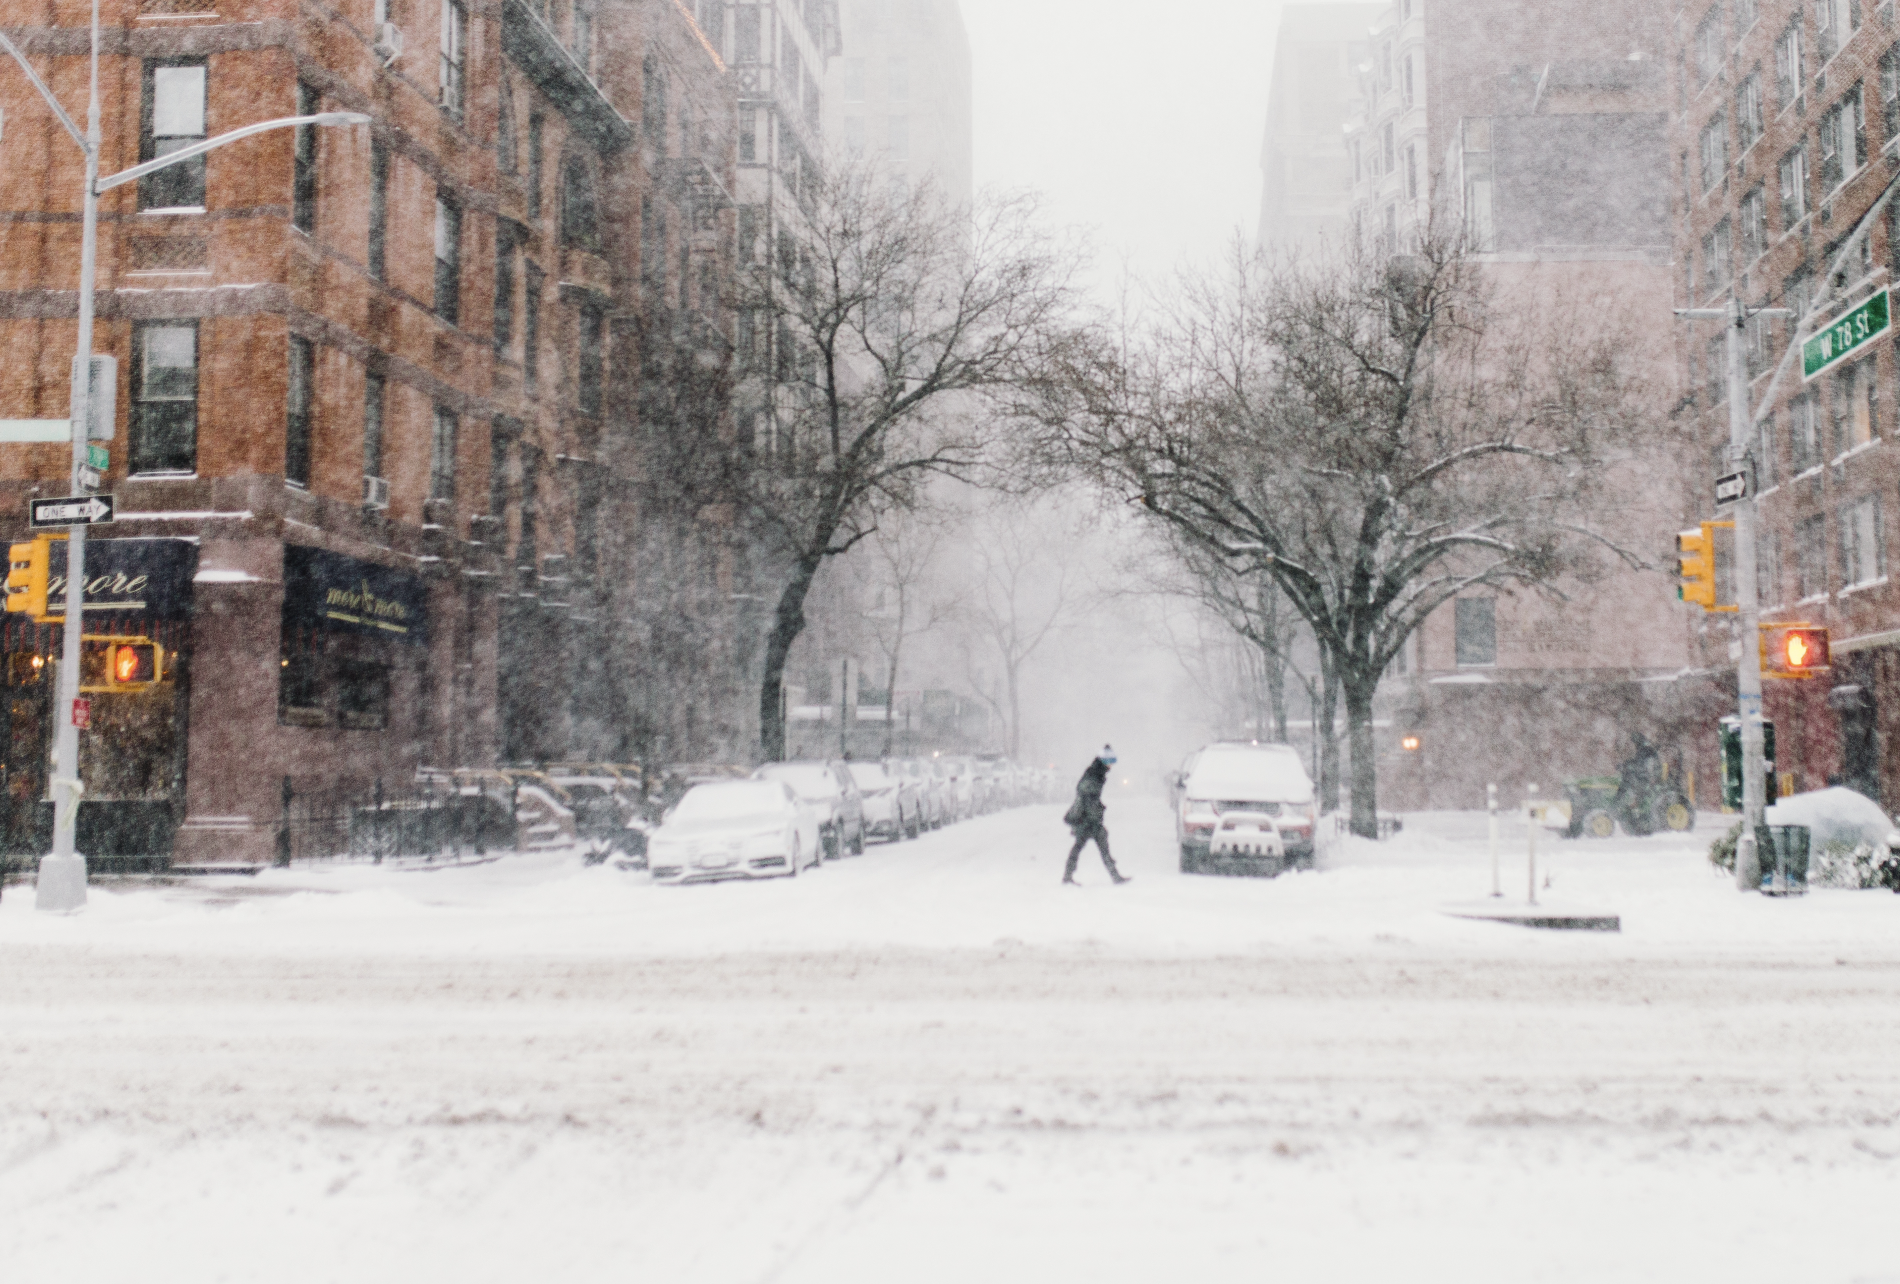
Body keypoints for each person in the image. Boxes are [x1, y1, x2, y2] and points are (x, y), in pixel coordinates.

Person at [1063, 745, 1129, 885]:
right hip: (1086, 819)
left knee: (1087, 845)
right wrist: (1093, 815)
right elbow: (1086, 796)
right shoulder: (1094, 774)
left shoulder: (1097, 773)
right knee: (1088, 844)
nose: (1111, 766)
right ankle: (1114, 876)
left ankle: (1068, 876)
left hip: (1088, 818)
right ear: (1105, 761)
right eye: (1110, 762)